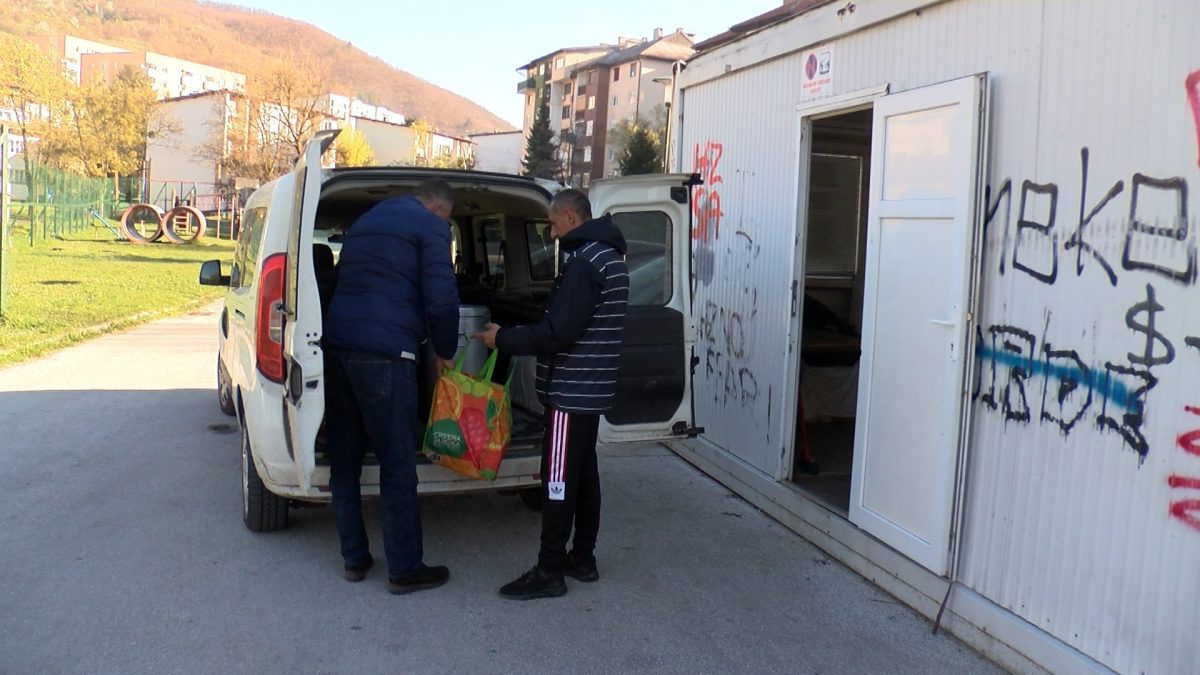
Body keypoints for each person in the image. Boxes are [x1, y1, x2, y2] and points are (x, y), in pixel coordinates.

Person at [476, 188, 629, 600]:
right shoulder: (609, 257)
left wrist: (502, 338)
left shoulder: (584, 263)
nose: (551, 230)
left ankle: (549, 570)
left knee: (558, 479)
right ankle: (582, 558)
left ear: (571, 219)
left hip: (570, 392)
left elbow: (558, 332)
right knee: (584, 476)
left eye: (553, 222)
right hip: (590, 389)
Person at [323, 178, 459, 595]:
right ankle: (404, 569)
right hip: (386, 354)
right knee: (397, 464)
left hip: (338, 347)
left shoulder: (368, 221)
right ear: (438, 208)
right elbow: (441, 296)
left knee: (344, 460)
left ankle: (354, 558)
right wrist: (445, 349)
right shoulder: (431, 227)